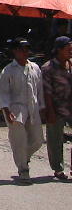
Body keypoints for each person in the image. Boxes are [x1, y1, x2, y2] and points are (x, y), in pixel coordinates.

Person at [0, 37, 45, 184]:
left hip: (33, 107)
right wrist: (6, 111)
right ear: (15, 51)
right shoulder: (8, 71)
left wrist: (42, 108)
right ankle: (23, 169)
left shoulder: (35, 68)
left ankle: (23, 157)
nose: (25, 52)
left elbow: (39, 90)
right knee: (19, 139)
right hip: (15, 108)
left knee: (38, 140)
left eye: (27, 49)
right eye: (21, 49)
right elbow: (3, 93)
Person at [42, 35, 72, 180]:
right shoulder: (48, 68)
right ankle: (58, 169)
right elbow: (46, 91)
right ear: (59, 50)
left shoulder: (70, 64)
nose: (71, 51)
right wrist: (50, 111)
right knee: (55, 138)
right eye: (68, 49)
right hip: (56, 107)